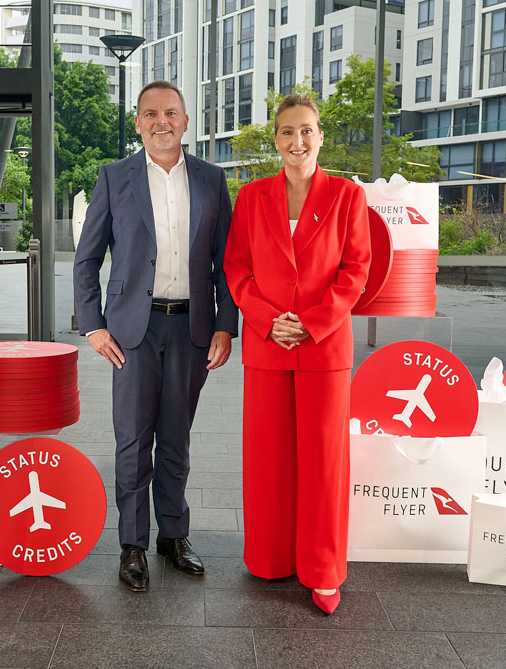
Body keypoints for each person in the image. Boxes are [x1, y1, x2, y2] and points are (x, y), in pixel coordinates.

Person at [73, 80, 239, 592]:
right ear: (139, 123)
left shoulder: (212, 179)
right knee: (132, 439)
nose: (160, 122)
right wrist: (93, 324)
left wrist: (225, 324)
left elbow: (227, 261)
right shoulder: (114, 177)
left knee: (175, 438)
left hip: (191, 328)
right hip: (132, 332)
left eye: (170, 113)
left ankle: (172, 535)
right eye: (150, 114)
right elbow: (86, 258)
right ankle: (132, 544)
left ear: (185, 121)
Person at [222, 94, 371, 614]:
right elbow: (237, 268)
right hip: (268, 345)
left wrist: (311, 323)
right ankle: (270, 557)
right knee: (269, 459)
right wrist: (268, 320)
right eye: (287, 131)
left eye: (306, 130)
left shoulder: (348, 196)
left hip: (323, 347)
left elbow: (356, 270)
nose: (297, 141)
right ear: (276, 140)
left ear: (320, 136)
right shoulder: (251, 197)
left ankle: (323, 570)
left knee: (323, 463)